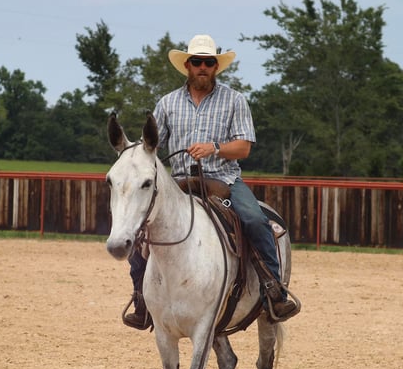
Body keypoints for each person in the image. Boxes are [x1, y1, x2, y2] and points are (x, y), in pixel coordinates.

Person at [123, 34, 300, 329]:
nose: (202, 67)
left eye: (208, 62)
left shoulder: (235, 100)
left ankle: (273, 289)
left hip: (223, 181)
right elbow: (150, 147)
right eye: (197, 62)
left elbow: (243, 147)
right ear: (187, 66)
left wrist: (214, 148)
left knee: (254, 220)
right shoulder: (167, 104)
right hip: (178, 183)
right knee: (139, 231)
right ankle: (141, 299)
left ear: (216, 66)